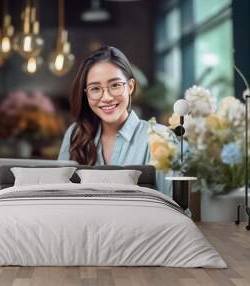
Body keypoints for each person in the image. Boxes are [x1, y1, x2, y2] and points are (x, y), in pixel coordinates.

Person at [58, 46, 173, 196]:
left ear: (130, 87)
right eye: (95, 88)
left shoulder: (160, 138)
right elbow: (59, 196)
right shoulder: (75, 134)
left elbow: (172, 209)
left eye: (115, 85)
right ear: (86, 93)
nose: (106, 97)